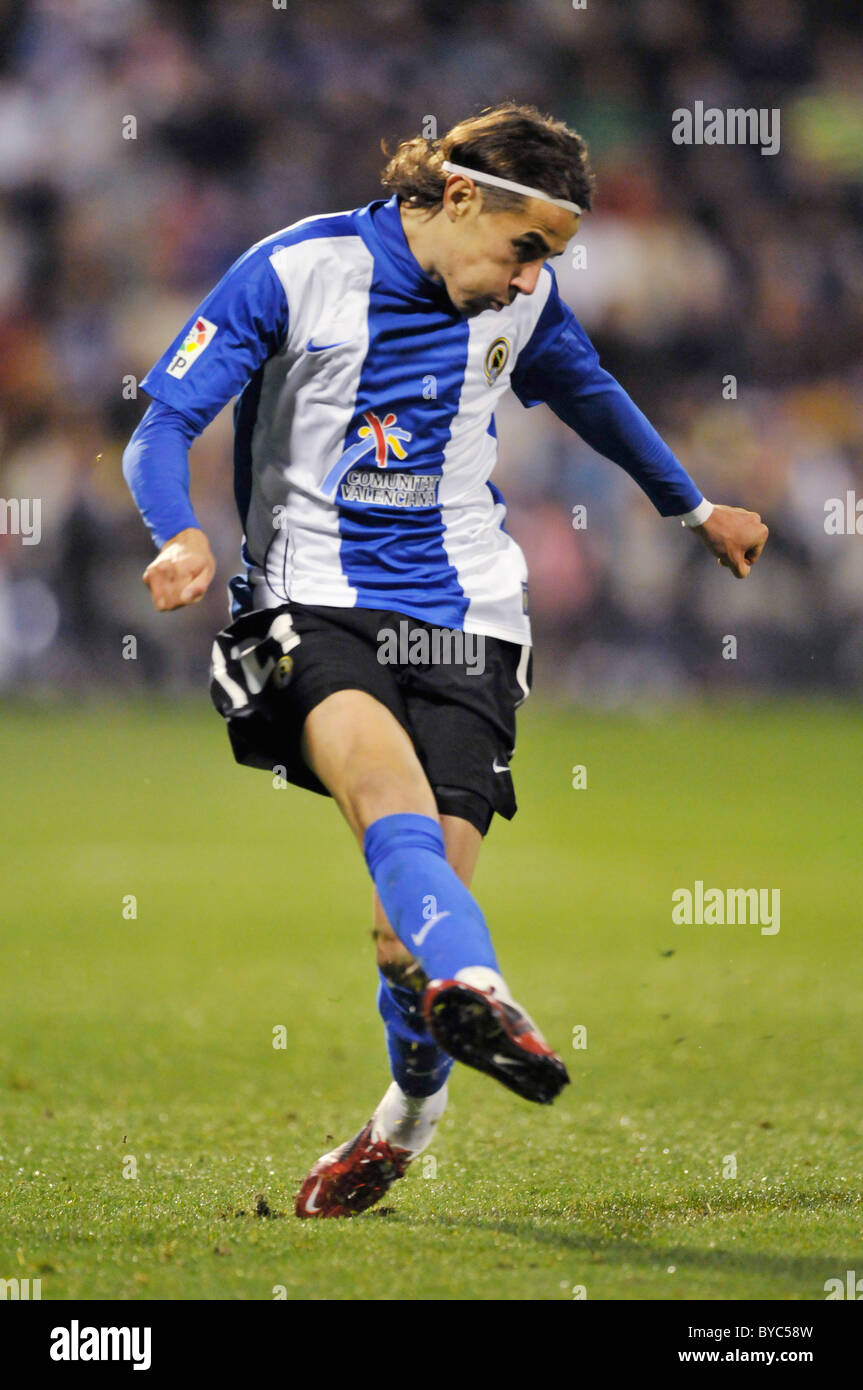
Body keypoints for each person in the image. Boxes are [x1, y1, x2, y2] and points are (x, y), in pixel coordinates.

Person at [122, 103, 768, 1219]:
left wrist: (694, 507)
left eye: (548, 264)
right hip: (312, 607)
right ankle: (483, 989)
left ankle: (408, 1114)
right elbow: (162, 419)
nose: (530, 282)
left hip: (471, 616)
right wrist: (176, 529)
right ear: (460, 197)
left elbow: (589, 393)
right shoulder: (299, 269)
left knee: (397, 935)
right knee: (387, 808)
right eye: (526, 250)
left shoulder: (523, 305)